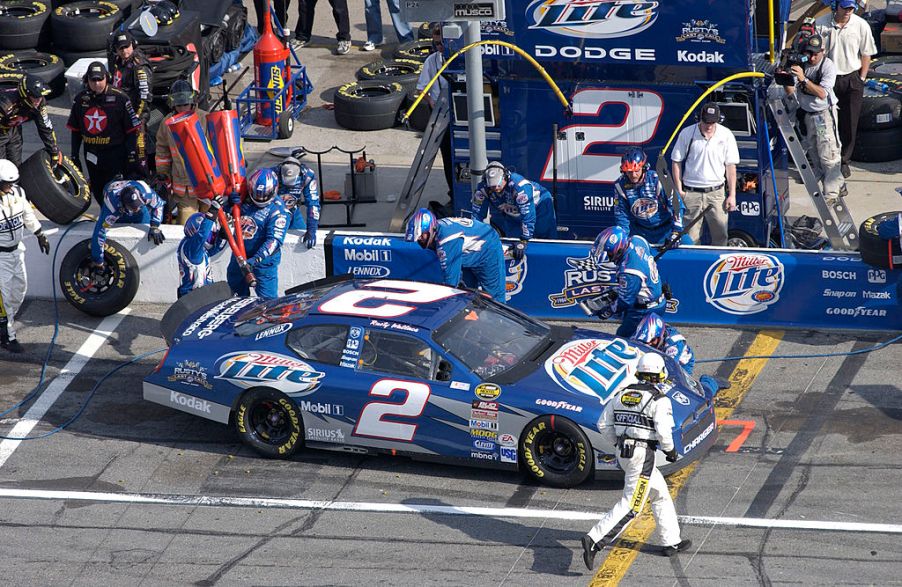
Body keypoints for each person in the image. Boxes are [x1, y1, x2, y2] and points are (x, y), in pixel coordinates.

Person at [580, 353, 691, 570]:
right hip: (643, 456)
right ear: (659, 375)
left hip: (625, 452)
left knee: (660, 493)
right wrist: (670, 452)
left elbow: (603, 424)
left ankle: (671, 542)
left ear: (639, 373)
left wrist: (618, 444)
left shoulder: (621, 394)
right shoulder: (660, 400)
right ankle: (595, 539)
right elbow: (663, 431)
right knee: (632, 505)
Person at [781, 34, 846, 204]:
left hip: (824, 115)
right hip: (807, 114)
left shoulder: (827, 66)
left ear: (822, 52)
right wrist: (786, 76)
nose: (812, 57)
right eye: (809, 53)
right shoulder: (801, 64)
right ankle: (833, 180)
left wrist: (803, 78)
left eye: (815, 53)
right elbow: (791, 91)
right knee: (813, 149)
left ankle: (832, 192)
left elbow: (822, 94)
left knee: (828, 152)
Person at [815, 0, 877, 178]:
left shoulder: (860, 25)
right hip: (828, 79)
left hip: (851, 78)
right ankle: (824, 161)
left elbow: (867, 52)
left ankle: (844, 161)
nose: (849, 11)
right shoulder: (821, 24)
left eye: (852, 8)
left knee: (850, 123)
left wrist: (861, 78)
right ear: (835, 6)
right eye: (845, 7)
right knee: (825, 123)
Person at [67, 61, 142, 205]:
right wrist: (74, 155)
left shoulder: (121, 98)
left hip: (115, 154)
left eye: (99, 79)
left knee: (117, 192)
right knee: (98, 189)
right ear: (86, 80)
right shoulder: (80, 99)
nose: (96, 84)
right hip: (91, 154)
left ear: (106, 78)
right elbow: (75, 131)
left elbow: (132, 130)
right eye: (93, 80)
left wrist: (132, 154)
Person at [670, 102, 739, 246]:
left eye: (712, 122)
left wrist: (732, 195)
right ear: (700, 119)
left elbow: (731, 167)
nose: (709, 125)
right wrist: (680, 190)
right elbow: (676, 161)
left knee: (720, 236)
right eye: (706, 121)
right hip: (691, 193)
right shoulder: (687, 133)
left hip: (716, 193)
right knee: (690, 238)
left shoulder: (726, 135)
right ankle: (693, 267)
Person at [0, 159, 49, 353]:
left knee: (19, 291)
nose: (10, 186)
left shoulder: (19, 192)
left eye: (12, 182)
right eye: (6, 183)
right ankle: (7, 336)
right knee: (3, 298)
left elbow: (28, 214)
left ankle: (6, 322)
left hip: (17, 251)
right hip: (0, 257)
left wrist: (40, 234)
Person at [405, 207, 506, 302]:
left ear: (431, 229)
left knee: (495, 296)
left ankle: (501, 320)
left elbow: (450, 279)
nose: (420, 240)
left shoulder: (447, 239)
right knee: (467, 293)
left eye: (421, 236)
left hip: (487, 250)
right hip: (467, 253)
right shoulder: (439, 230)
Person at [587, 226, 665, 338]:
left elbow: (625, 301)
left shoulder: (629, 271)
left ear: (618, 249)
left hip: (645, 309)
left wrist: (607, 311)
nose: (609, 258)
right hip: (655, 297)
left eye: (609, 254)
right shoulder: (638, 240)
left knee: (623, 337)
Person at [472, 161, 557, 259]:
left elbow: (528, 215)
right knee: (512, 242)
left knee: (543, 236)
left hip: (539, 207)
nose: (496, 188)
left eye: (498, 185)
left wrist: (524, 241)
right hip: (512, 213)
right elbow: (477, 214)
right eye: (492, 186)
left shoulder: (520, 186)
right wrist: (473, 236)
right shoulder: (482, 188)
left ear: (505, 177)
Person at [226, 168, 288, 300]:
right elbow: (227, 218)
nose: (260, 198)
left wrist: (254, 260)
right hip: (239, 256)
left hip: (264, 263)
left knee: (268, 302)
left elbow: (274, 242)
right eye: (257, 194)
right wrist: (229, 204)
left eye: (264, 195)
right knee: (234, 297)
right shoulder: (244, 197)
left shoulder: (279, 211)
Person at [155, 79, 209, 224]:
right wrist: (162, 172)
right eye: (179, 105)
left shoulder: (205, 118)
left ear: (192, 101)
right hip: (184, 189)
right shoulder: (167, 123)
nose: (182, 108)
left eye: (185, 104)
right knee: (185, 227)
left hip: (208, 185)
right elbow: (162, 150)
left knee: (210, 227)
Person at [614, 148, 690, 246]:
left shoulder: (660, 179)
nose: (633, 175)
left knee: (690, 247)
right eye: (629, 172)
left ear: (644, 167)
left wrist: (676, 232)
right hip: (640, 232)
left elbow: (676, 205)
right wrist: (623, 239)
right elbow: (621, 215)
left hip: (667, 228)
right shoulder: (620, 185)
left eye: (637, 170)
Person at [415, 23, 454, 210]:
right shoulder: (432, 61)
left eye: (442, 43)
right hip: (441, 113)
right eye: (436, 43)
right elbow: (421, 88)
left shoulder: (460, 57)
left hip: (461, 113)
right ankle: (453, 193)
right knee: (447, 155)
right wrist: (433, 104)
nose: (439, 47)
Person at [91, 178, 165, 270]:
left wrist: (155, 225)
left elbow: (159, 205)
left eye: (138, 205)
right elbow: (100, 233)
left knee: (144, 221)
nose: (136, 209)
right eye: (133, 207)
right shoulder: (111, 207)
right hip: (119, 211)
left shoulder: (146, 192)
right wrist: (98, 260)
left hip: (139, 212)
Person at [109, 30, 152, 173]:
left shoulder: (139, 66)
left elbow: (145, 96)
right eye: (121, 48)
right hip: (119, 115)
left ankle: (143, 178)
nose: (125, 50)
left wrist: (137, 118)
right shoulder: (116, 61)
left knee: (139, 153)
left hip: (135, 117)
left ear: (132, 45)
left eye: (127, 46)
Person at [0, 73, 62, 167]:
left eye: (40, 97)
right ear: (25, 95)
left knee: (16, 167)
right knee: (2, 170)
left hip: (14, 131)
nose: (38, 101)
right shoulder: (6, 105)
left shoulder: (40, 103)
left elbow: (45, 127)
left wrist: (54, 151)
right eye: (35, 97)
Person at [177, 202, 227, 299]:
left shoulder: (198, 250)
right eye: (210, 235)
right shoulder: (190, 247)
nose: (211, 238)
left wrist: (222, 237)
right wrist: (212, 212)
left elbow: (214, 250)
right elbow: (201, 236)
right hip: (192, 297)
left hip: (203, 294)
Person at [274, 156, 320, 249]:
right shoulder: (270, 174)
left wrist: (311, 230)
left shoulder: (307, 176)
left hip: (294, 214)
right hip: (273, 215)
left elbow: (313, 204)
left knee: (303, 237)